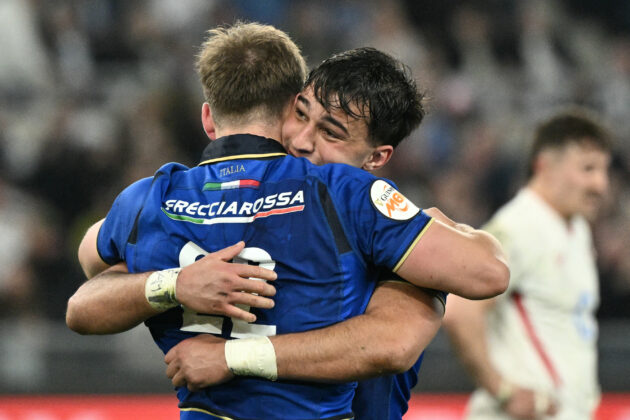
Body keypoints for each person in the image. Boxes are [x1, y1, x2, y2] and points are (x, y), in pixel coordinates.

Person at [67, 22, 509, 419]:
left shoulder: (153, 197)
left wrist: (226, 352)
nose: (302, 140)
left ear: (377, 157)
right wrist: (175, 283)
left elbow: (91, 262)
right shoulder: (346, 198)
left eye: (330, 132)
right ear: (286, 107)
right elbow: (414, 326)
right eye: (301, 115)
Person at [443, 108, 611, 420]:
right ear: (544, 166)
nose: (600, 184)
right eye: (588, 168)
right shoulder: (519, 227)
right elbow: (459, 311)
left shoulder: (577, 229)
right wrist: (502, 391)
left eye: (604, 170)